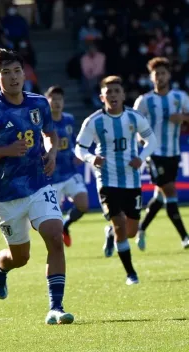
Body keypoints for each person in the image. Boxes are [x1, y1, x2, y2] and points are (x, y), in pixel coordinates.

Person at [0, 48, 74, 325]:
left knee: (54, 236)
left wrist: (51, 153)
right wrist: (6, 150)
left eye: (16, 71)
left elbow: (50, 133)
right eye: (6, 72)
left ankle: (56, 308)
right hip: (7, 195)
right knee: (20, 257)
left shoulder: (39, 103)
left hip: (39, 185)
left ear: (24, 73)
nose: (13, 77)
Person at [74, 75, 157, 285]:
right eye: (108, 92)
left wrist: (142, 157)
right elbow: (79, 149)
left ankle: (110, 233)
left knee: (129, 231)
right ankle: (131, 273)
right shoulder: (94, 121)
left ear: (123, 95)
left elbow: (152, 140)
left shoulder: (134, 117)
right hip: (107, 180)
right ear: (102, 97)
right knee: (121, 224)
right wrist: (92, 158)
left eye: (116, 91)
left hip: (131, 181)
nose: (113, 95)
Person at [133, 57, 189, 251]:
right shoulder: (144, 100)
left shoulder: (179, 97)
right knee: (170, 190)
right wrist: (140, 138)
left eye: (163, 73)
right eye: (157, 74)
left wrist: (183, 117)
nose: (160, 77)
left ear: (168, 75)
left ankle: (140, 229)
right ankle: (184, 237)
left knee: (161, 197)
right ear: (151, 77)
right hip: (154, 153)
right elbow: (134, 123)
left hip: (174, 153)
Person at [45, 85, 88, 247]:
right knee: (52, 220)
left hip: (70, 172)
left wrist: (78, 153)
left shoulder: (69, 119)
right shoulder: (43, 123)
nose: (56, 102)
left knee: (83, 205)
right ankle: (57, 239)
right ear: (47, 101)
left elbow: (73, 140)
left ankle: (66, 224)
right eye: (53, 99)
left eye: (59, 99)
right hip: (52, 177)